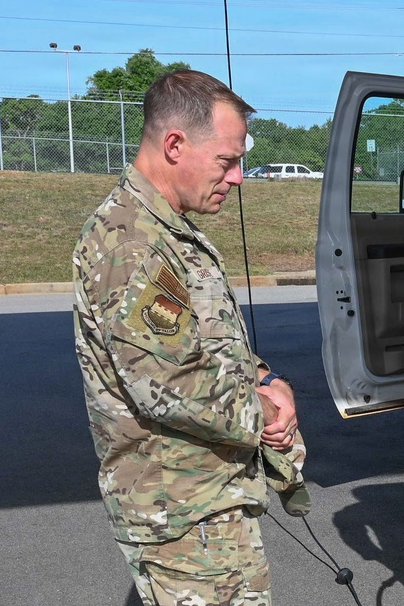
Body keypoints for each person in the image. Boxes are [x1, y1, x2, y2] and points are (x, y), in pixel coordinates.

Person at [73, 69, 302, 605]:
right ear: (174, 144)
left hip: (207, 503)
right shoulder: (130, 242)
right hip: (181, 515)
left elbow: (208, 343)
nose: (238, 177)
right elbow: (171, 384)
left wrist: (270, 379)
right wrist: (267, 414)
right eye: (227, 160)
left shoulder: (170, 230)